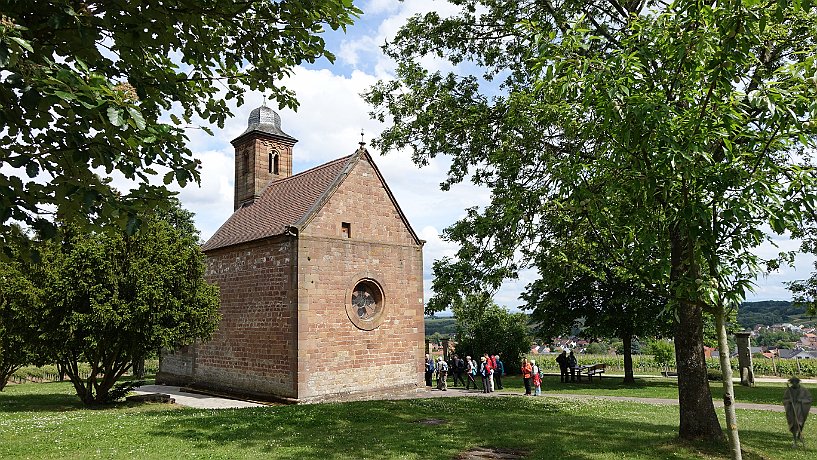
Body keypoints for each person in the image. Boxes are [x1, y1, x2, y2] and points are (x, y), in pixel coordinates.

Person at [784, 377, 812, 447]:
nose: (793, 384)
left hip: (801, 410)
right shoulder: (789, 390)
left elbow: (809, 399)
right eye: (792, 383)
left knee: (800, 424)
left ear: (798, 382)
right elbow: (785, 399)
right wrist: (788, 401)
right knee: (794, 425)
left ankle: (799, 435)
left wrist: (801, 401)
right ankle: (795, 441)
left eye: (795, 383)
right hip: (792, 410)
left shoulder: (804, 390)